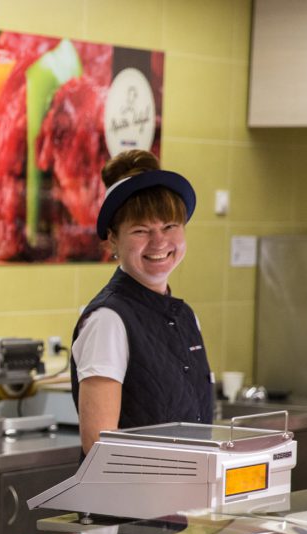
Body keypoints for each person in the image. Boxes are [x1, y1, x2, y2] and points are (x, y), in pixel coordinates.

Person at [70, 150, 209, 455]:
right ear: (113, 240)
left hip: (188, 485)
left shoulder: (185, 316)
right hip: (133, 488)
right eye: (141, 231)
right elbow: (98, 445)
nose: (159, 242)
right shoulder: (108, 320)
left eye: (169, 226)